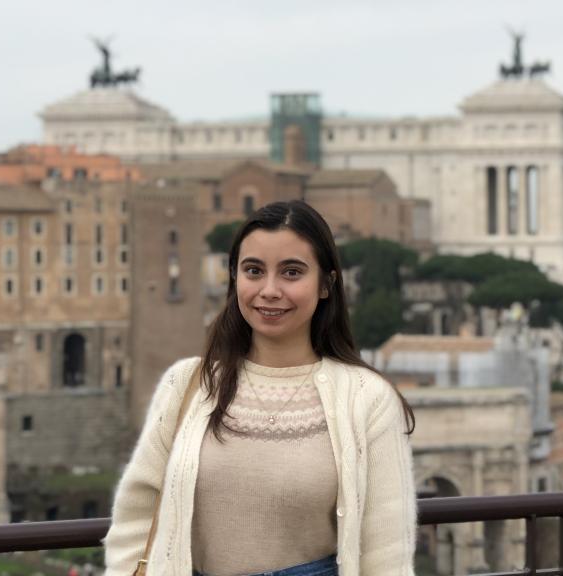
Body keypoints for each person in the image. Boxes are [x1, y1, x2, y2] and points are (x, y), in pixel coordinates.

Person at [104, 201, 417, 576]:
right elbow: (136, 515)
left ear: (326, 285)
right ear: (234, 278)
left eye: (291, 272)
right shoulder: (186, 384)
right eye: (254, 271)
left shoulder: (369, 399)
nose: (269, 290)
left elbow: (386, 553)